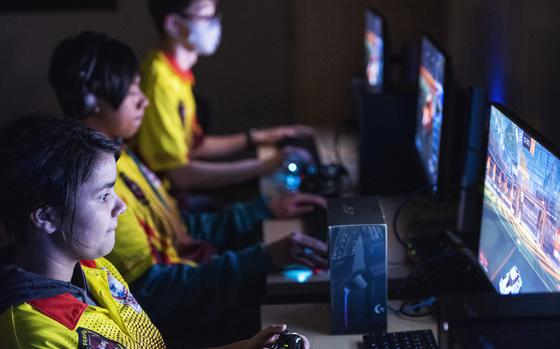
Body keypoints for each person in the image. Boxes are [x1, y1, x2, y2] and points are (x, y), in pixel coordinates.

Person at [49, 31, 326, 347]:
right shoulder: (98, 189)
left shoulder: (122, 157)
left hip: (192, 279)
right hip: (180, 313)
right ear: (92, 103)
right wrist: (262, 258)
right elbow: (157, 292)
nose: (144, 100)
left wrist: (264, 210)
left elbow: (175, 229)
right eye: (131, 91)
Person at [0, 115, 309, 349]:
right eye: (104, 195)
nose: (120, 206)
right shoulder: (36, 335)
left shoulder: (93, 267)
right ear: (46, 216)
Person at [134, 0, 313, 194]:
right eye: (205, 17)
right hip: (167, 203)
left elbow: (191, 146)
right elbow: (180, 175)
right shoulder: (160, 81)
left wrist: (257, 138)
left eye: (214, 15)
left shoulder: (173, 72)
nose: (214, 24)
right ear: (174, 25)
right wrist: (267, 165)